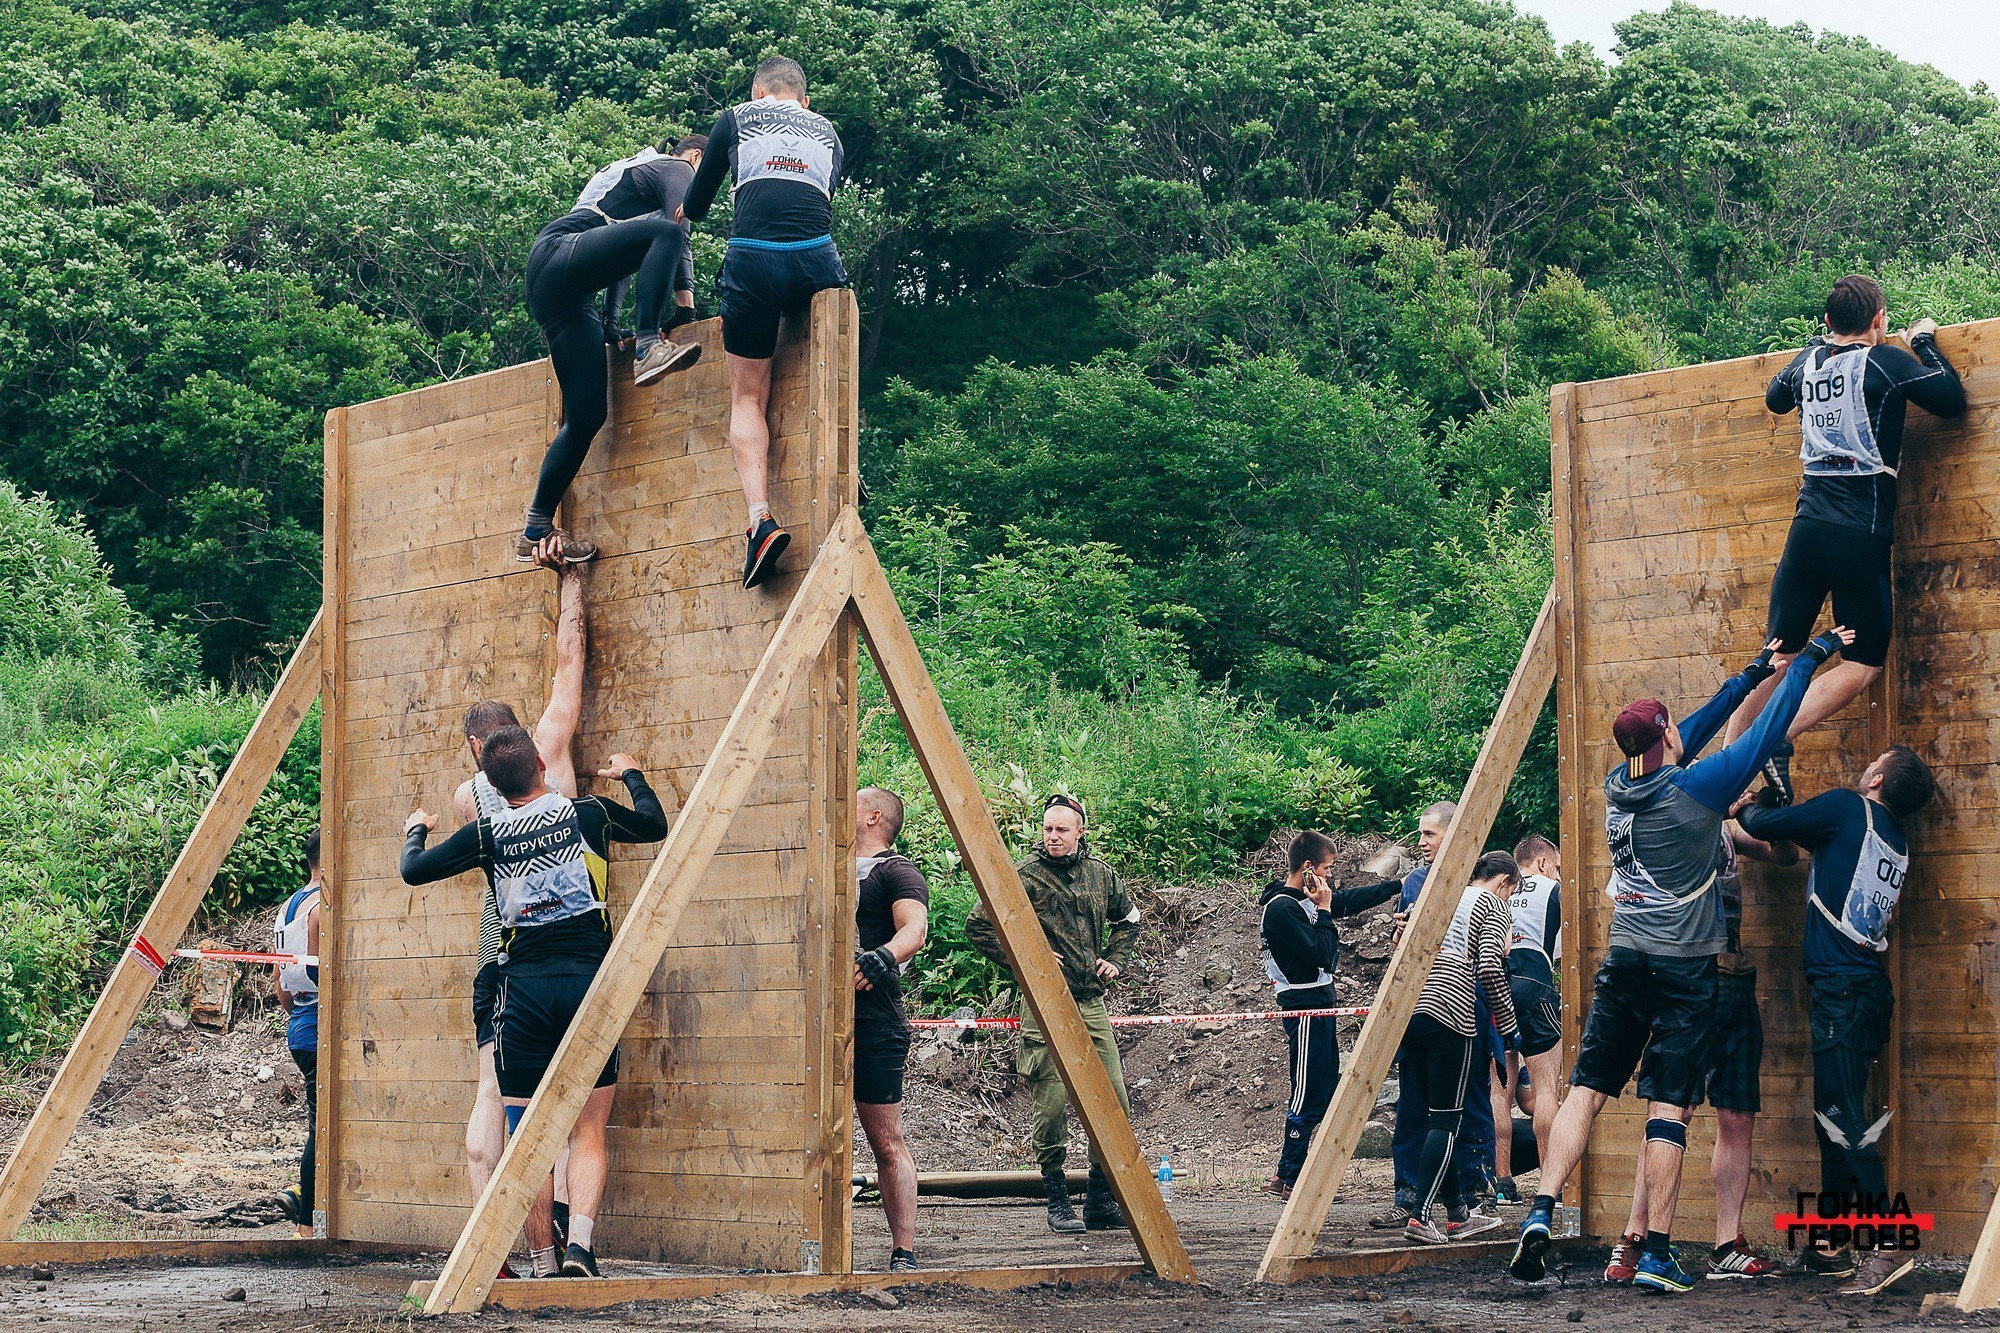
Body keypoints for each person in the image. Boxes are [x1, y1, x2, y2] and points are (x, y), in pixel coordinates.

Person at [1509, 626, 1854, 1293]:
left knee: (1587, 1089)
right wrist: (1809, 659)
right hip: (1683, 966)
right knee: (1668, 1105)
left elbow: (1688, 729)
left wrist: (1755, 668)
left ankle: (1541, 1210)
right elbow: (1765, 733)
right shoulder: (1695, 792)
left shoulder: (1620, 783)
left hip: (1625, 958)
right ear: (1666, 742)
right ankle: (1659, 1251)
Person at [401, 727, 670, 1278]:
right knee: (588, 1127)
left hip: (521, 993)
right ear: (544, 764)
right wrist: (633, 774)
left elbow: (414, 870)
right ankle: (582, 1253)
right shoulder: (589, 813)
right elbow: (655, 825)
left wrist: (415, 831)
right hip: (587, 989)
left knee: (528, 1135)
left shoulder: (486, 833)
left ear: (492, 787)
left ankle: (543, 1263)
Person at [1725, 275, 1964, 795]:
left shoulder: (1809, 362)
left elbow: (1774, 398)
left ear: (1828, 323)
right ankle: (1776, 739)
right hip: (1859, 536)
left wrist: (1815, 349)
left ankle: (1726, 768)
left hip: (1806, 532)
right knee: (1862, 662)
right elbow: (1950, 399)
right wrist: (1922, 342)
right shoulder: (1885, 361)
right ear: (1879, 320)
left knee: (1776, 655)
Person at [1736, 746, 1936, 1298]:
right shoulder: (1893, 834)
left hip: (1843, 993)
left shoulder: (1850, 809)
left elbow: (1767, 824)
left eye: (1874, 761)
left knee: (1845, 1120)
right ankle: (1833, 1245)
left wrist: (1746, 803)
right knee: (1834, 1116)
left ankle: (1889, 1240)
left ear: (1876, 776)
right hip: (1863, 991)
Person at [456, 549, 587, 1267]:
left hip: (496, 954)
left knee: (498, 1094)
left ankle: (494, 1239)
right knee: (562, 1108)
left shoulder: (468, 799)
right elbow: (569, 676)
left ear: (479, 750)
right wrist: (572, 578)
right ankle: (556, 1232)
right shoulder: (548, 756)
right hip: (552, 951)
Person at [678, 56, 847, 589]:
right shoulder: (831, 134)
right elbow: (816, 202)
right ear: (805, 101)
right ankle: (848, 464)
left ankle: (759, 522)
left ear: (758, 91)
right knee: (838, 358)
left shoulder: (735, 117)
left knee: (748, 397)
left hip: (753, 260)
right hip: (817, 258)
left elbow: (698, 206)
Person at [1605, 816, 1797, 1284]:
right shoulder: (1671, 823)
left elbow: (1785, 853)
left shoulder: (1728, 830)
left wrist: (1766, 804)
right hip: (1686, 981)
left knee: (1737, 1114)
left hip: (1734, 980)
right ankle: (1636, 1237)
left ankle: (1726, 1245)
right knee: (1672, 1113)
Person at [517, 136, 709, 563]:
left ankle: (535, 526)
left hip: (561, 290)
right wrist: (685, 305)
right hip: (559, 251)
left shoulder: (631, 190)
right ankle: (646, 351)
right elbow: (679, 223)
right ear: (697, 157)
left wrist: (610, 324)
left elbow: (621, 261)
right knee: (664, 232)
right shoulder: (675, 167)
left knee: (587, 415)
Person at [965, 794, 1140, 1235]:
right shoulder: (1024, 875)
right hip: (1044, 1004)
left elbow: (1130, 918)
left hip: (1090, 1001)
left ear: (1081, 831)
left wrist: (1115, 959)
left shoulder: (1102, 875)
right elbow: (979, 925)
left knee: (1114, 1099)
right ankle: (1057, 1197)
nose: (1053, 836)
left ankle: (1100, 1200)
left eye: (1062, 829)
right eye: (1046, 828)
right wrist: (1029, 957)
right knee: (1052, 1102)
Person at [1375, 801, 1503, 1228]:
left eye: (1429, 833)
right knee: (1428, 1112)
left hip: (1453, 1006)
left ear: (1454, 835)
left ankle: (1466, 1201)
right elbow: (1484, 963)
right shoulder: (1416, 882)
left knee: (1465, 1107)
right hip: (1440, 1006)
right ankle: (1416, 1204)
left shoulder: (1474, 884)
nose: (1421, 842)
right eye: (1421, 833)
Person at [1257, 830, 1402, 1200]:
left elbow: (1346, 901)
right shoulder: (1282, 908)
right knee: (1306, 1093)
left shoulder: (1303, 901)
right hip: (1303, 1006)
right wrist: (1323, 910)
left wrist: (1395, 886)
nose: (1330, 879)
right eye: (1327, 869)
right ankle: (1291, 1177)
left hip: (1320, 1003)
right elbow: (1321, 953)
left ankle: (1284, 1175)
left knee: (1320, 1089)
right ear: (1308, 869)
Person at [1402, 852, 1520, 1245]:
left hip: (1410, 1010)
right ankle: (1420, 1217)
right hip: (1451, 1011)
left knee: (1435, 1116)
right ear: (1504, 882)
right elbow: (1488, 966)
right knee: (1447, 1120)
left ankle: (1457, 1214)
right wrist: (1508, 1026)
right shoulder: (1494, 905)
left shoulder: (1444, 896)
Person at [851, 787, 931, 1273]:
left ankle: (904, 1252)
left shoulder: (895, 870)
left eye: (854, 802)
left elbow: (914, 929)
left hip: (874, 1023)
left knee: (885, 1141)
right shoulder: (827, 861)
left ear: (874, 817)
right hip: (820, 1023)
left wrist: (883, 957)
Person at [1491, 833, 1562, 1206]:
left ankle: (1502, 1183)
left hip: (1494, 983)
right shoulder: (1552, 888)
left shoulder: (1496, 887)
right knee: (1547, 1090)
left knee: (1499, 1090)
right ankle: (1551, 1186)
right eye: (1558, 865)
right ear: (1543, 863)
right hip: (1535, 982)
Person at [272, 830, 323, 1238]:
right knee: (319, 1129)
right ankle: (307, 1226)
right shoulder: (322, 906)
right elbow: (317, 970)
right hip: (319, 1025)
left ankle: (302, 1194)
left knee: (319, 1123)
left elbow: (282, 987)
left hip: (299, 1024)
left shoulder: (288, 908)